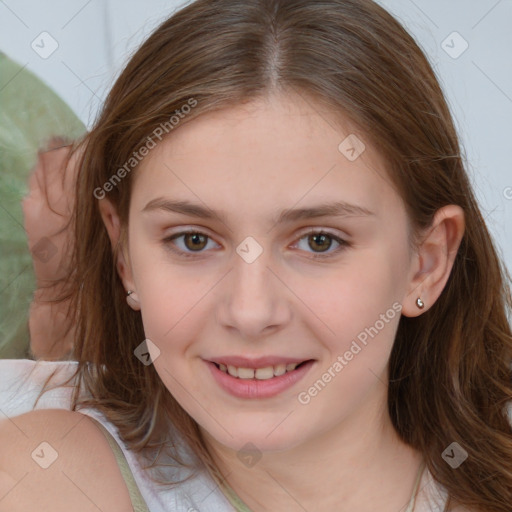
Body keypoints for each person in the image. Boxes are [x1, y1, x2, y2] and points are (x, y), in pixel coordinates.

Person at [1, 0, 511, 511]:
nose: (249, 312)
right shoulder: (40, 479)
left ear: (426, 263)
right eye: (193, 240)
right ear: (125, 257)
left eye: (319, 242)